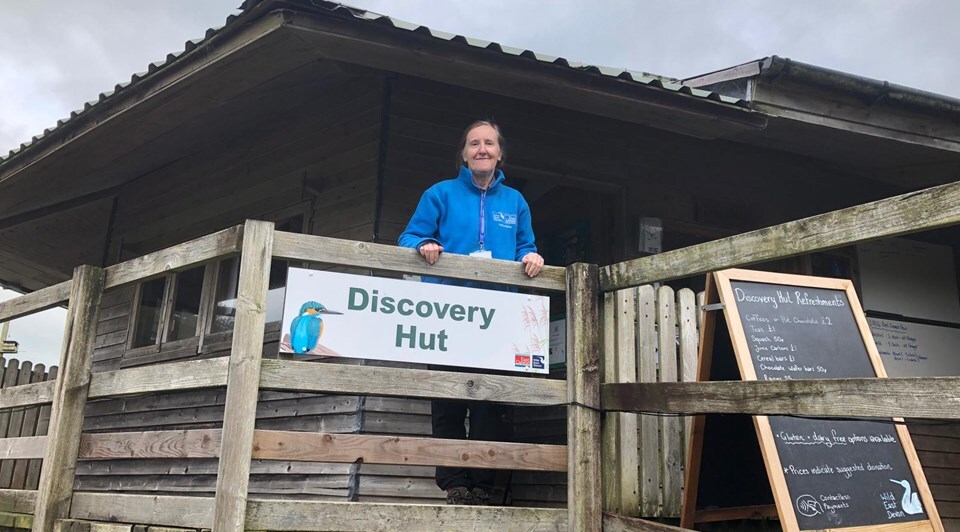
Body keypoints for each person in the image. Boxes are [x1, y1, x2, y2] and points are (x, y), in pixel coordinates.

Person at [398, 120, 544, 505]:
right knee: (447, 400)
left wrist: (530, 256)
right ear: (463, 154)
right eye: (474, 143)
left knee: (489, 404)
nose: (482, 149)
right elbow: (409, 237)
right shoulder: (439, 194)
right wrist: (426, 244)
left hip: (499, 319)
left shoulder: (515, 201)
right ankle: (454, 483)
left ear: (500, 153)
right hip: (447, 316)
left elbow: (524, 246)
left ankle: (483, 483)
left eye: (489, 143)